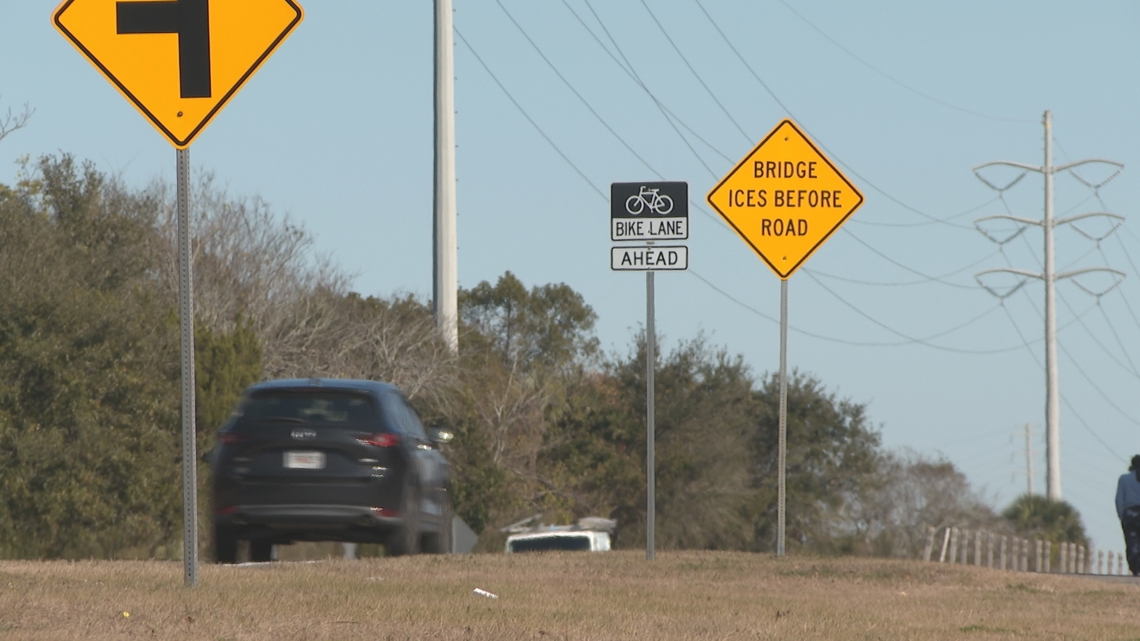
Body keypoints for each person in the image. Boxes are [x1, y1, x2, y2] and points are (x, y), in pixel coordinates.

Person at [1115, 455, 1140, 576]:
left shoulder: (1124, 479)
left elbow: (1119, 500)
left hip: (1130, 514)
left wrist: (1122, 516)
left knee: (1132, 542)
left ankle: (1135, 566)